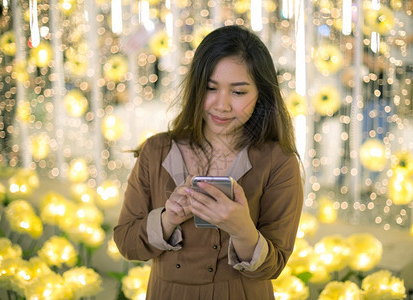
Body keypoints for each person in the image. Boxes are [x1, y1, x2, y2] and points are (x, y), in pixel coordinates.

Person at [113, 25, 303, 299]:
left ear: (260, 93)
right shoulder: (156, 151)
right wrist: (168, 220)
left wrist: (242, 230)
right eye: (210, 88)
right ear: (194, 87)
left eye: (238, 92)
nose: (222, 105)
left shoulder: (279, 162)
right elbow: (127, 244)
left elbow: (273, 265)